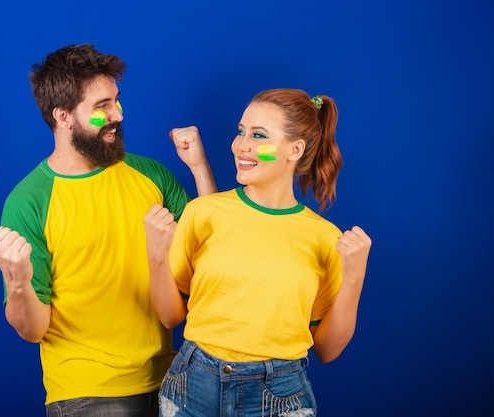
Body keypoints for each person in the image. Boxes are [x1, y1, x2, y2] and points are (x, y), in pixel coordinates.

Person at [0, 44, 216, 417]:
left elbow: (214, 248)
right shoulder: (29, 202)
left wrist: (200, 167)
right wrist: (17, 279)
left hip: (172, 381)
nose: (117, 115)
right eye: (101, 106)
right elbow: (32, 330)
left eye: (116, 101)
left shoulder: (150, 174)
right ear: (63, 116)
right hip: (86, 393)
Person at [144, 88, 372, 416]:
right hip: (192, 387)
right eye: (241, 132)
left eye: (259, 135)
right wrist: (156, 255)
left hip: (278, 395)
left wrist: (354, 278)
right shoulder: (203, 212)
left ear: (295, 149)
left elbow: (327, 349)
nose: (241, 145)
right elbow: (170, 316)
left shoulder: (324, 238)